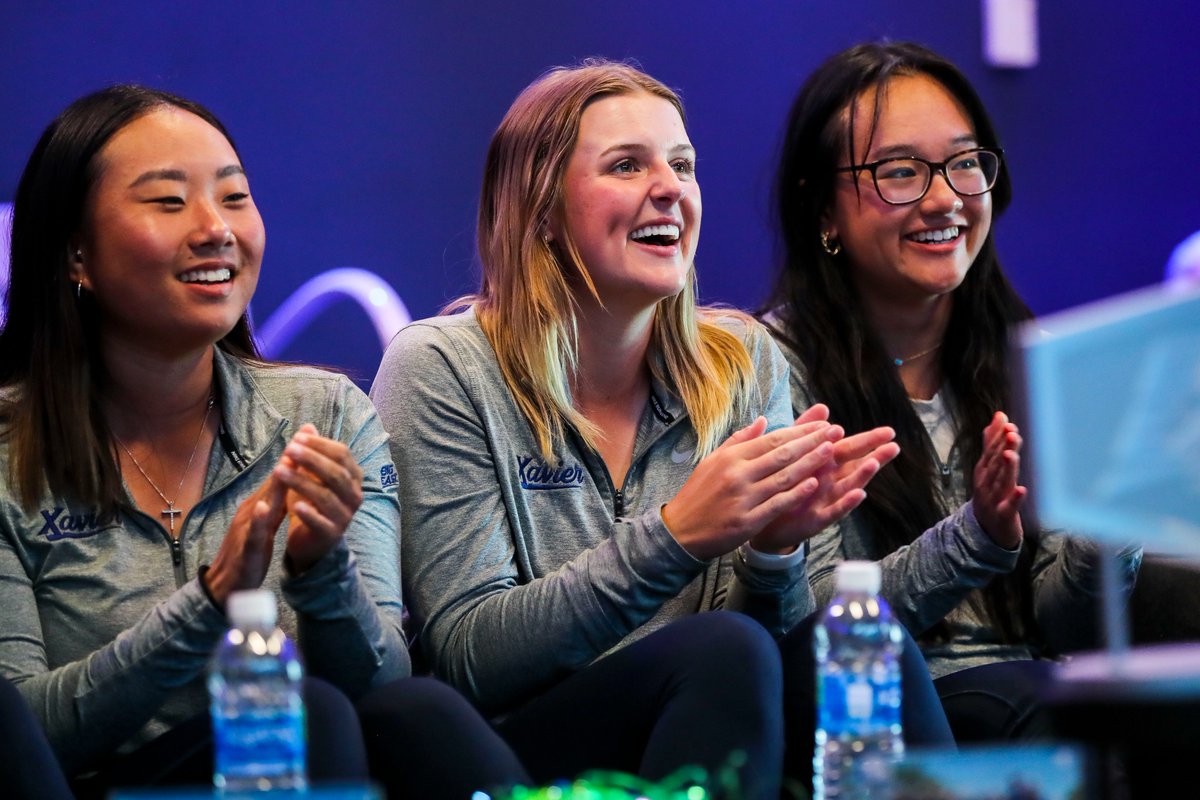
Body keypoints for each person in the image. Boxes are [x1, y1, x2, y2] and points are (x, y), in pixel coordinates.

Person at [371, 59, 955, 800]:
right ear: (541, 209)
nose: (671, 188)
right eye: (627, 165)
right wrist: (677, 536)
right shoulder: (442, 367)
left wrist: (774, 555)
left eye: (682, 165)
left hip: (709, 715)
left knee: (854, 642)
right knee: (722, 648)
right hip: (523, 746)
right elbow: (470, 657)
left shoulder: (741, 362)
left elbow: (775, 660)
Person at [0, 85, 528, 800]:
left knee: (413, 712)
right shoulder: (9, 451)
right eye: (168, 201)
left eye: (234, 197)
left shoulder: (324, 415)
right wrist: (209, 602)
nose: (216, 228)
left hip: (305, 764)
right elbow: (20, 735)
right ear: (75, 253)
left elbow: (381, 689)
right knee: (303, 712)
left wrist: (321, 571)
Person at [760, 41, 1144, 743]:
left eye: (965, 163)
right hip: (879, 712)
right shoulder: (772, 370)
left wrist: (1114, 515)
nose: (945, 199)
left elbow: (1069, 626)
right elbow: (809, 627)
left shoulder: (1028, 357)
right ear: (822, 210)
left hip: (1030, 690)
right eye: (900, 172)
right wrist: (978, 536)